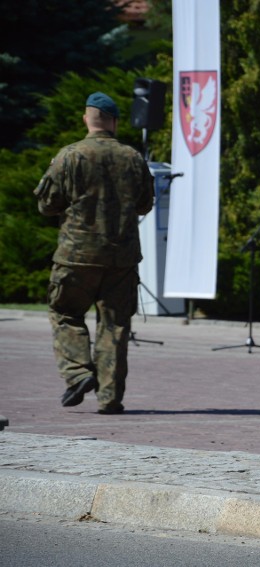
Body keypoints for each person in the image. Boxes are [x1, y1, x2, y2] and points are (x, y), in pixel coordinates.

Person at [34, 92, 154, 414]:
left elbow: (46, 205)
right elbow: (145, 203)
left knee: (65, 313)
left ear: (87, 119)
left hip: (77, 254)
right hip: (121, 257)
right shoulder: (133, 157)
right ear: (113, 121)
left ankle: (77, 373)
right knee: (114, 325)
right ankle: (110, 397)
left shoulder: (70, 156)